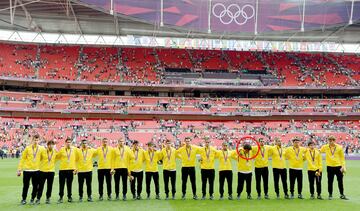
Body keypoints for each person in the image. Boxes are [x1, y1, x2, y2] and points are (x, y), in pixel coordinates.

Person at [17, 134, 44, 205]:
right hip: (27, 170)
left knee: (35, 186)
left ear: (39, 140)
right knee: (26, 186)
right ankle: (23, 199)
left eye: (37, 140)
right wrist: (19, 169)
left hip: (36, 170)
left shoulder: (41, 148)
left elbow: (44, 159)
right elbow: (22, 158)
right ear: (32, 140)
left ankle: (32, 198)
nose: (36, 141)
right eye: (35, 140)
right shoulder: (27, 148)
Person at [320, 136, 348, 200]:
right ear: (328, 141)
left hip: (338, 167)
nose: (331, 142)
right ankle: (330, 195)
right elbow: (319, 151)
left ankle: (342, 194)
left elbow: (342, 158)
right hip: (329, 167)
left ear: (334, 141)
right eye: (329, 140)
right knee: (330, 181)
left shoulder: (339, 147)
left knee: (340, 181)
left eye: (332, 140)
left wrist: (343, 166)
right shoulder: (325, 147)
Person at [57, 137, 78, 203]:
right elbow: (57, 157)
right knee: (61, 184)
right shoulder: (62, 149)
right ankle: (61, 197)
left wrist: (76, 168)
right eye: (67, 142)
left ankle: (69, 197)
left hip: (71, 170)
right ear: (65, 143)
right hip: (62, 170)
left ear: (71, 143)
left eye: (70, 142)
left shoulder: (75, 149)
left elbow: (78, 159)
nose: (68, 143)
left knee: (69, 184)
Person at [36, 139, 57, 204]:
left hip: (51, 171)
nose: (51, 146)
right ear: (47, 145)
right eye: (50, 145)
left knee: (50, 186)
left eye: (52, 145)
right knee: (41, 186)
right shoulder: (43, 151)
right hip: (42, 171)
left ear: (54, 145)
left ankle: (48, 198)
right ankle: (38, 198)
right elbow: (38, 159)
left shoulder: (55, 152)